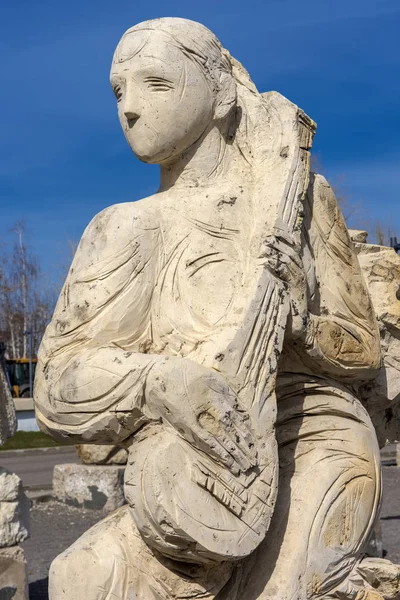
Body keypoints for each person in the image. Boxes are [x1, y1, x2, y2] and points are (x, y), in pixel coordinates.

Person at [34, 18, 391, 600]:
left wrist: (302, 326)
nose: (128, 107)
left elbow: (362, 346)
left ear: (221, 92)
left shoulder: (303, 199)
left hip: (308, 440)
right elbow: (54, 383)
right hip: (188, 466)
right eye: (117, 89)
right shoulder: (124, 227)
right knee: (84, 578)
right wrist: (158, 380)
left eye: (155, 83)